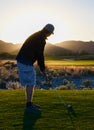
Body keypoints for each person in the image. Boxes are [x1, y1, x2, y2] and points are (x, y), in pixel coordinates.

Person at [16, 24, 54, 112]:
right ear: (48, 32)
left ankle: (29, 103)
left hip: (23, 60)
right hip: (25, 61)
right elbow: (40, 55)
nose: (49, 35)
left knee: (30, 83)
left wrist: (42, 68)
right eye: (50, 33)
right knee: (30, 83)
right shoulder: (41, 39)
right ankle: (29, 106)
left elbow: (38, 54)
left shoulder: (37, 35)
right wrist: (42, 69)